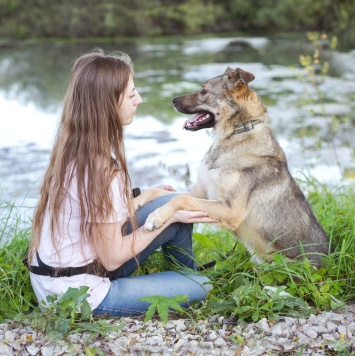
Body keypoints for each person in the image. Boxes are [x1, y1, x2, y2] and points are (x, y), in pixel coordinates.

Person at [27, 49, 216, 317]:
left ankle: (181, 277)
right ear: (107, 103)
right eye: (131, 95)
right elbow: (112, 257)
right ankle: (188, 282)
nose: (139, 99)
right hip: (79, 297)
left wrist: (150, 197)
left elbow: (101, 218)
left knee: (171, 202)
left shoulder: (74, 149)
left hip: (57, 280)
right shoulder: (102, 169)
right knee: (201, 282)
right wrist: (169, 218)